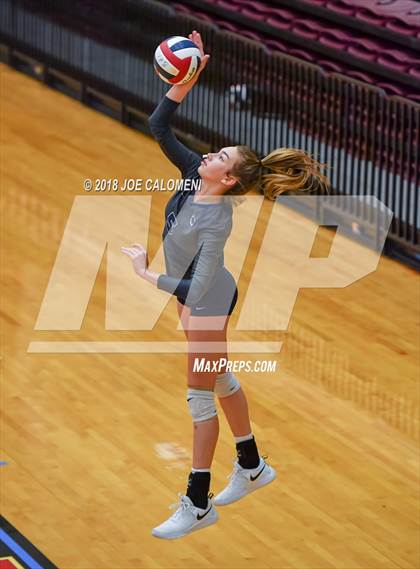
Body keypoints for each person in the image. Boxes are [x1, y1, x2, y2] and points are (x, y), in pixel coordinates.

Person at [121, 31, 330, 540]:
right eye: (213, 152)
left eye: (219, 156)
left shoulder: (218, 222)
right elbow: (159, 123)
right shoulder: (194, 173)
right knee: (219, 380)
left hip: (207, 297)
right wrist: (187, 81)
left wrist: (148, 276)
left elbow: (199, 285)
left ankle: (197, 502)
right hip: (193, 293)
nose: (208, 154)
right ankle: (253, 465)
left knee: (199, 398)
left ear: (230, 180)